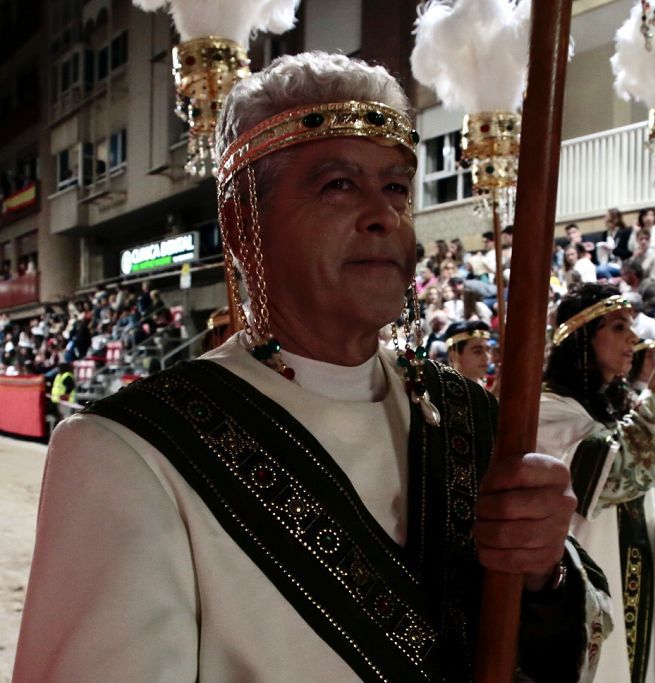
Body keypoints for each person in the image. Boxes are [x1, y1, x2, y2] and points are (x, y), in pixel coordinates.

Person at [14, 52, 612, 682]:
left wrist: (544, 572)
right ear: (245, 226)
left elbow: (536, 654)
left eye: (396, 188)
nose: (385, 215)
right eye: (338, 184)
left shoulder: (470, 414)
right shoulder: (131, 450)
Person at [536, 284, 655, 683]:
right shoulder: (548, 409)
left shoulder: (622, 404)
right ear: (583, 336)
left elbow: (652, 486)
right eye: (619, 326)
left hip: (640, 571)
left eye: (632, 326)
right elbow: (613, 477)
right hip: (583, 582)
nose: (633, 338)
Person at [444, 320, 491, 387]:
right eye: (478, 351)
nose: (487, 357)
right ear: (453, 356)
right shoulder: (444, 390)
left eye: (488, 350)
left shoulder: (487, 384)